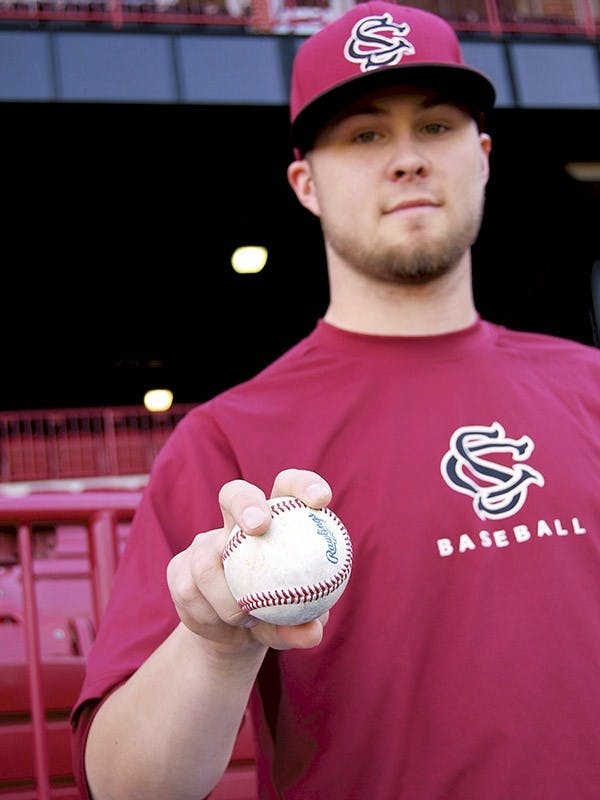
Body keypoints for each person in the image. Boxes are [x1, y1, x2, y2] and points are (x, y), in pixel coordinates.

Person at [71, 3, 600, 798]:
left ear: (483, 156)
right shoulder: (228, 441)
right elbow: (124, 786)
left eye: (437, 126)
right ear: (305, 183)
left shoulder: (589, 385)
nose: (408, 159)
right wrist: (216, 645)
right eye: (364, 134)